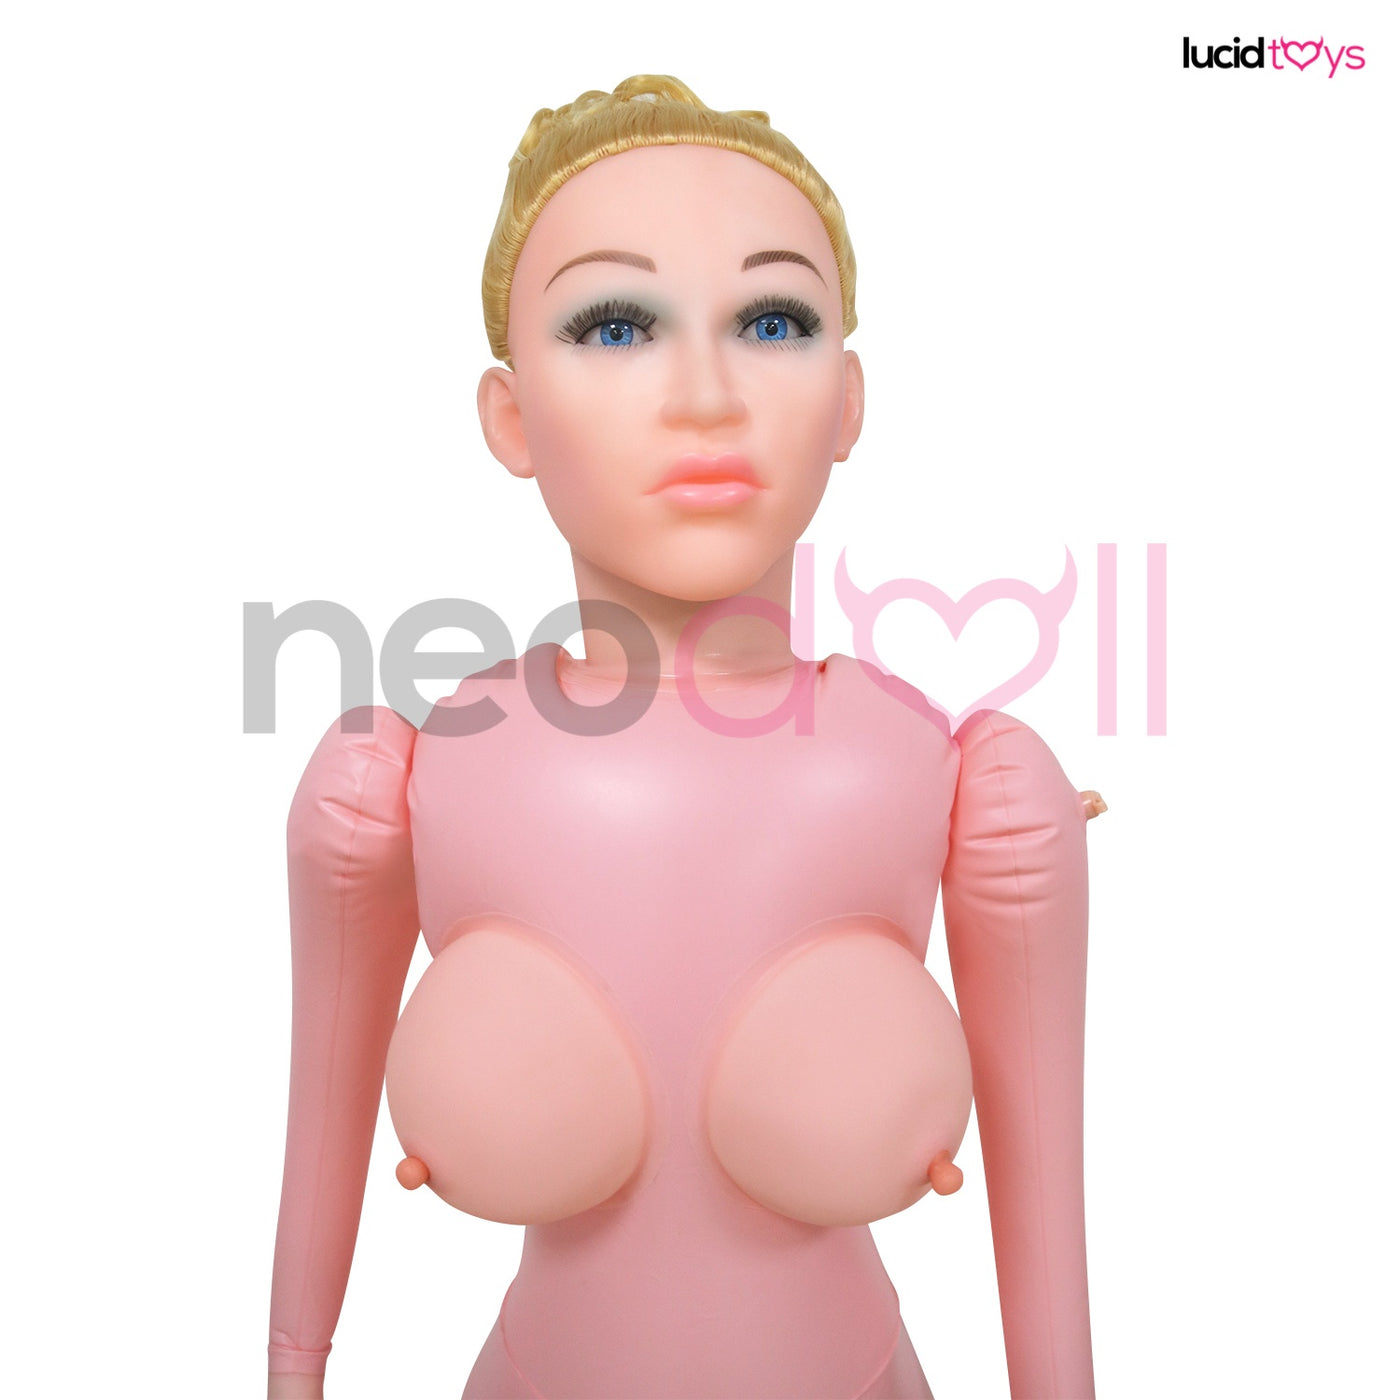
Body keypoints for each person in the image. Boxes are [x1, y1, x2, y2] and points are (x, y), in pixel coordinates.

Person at [268, 75, 1094, 1399]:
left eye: (773, 321)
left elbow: (1047, 1209)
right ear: (510, 420)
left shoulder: (947, 780)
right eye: (615, 325)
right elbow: (317, 1131)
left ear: (848, 401)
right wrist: (292, 1369)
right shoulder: (416, 779)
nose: (707, 395)